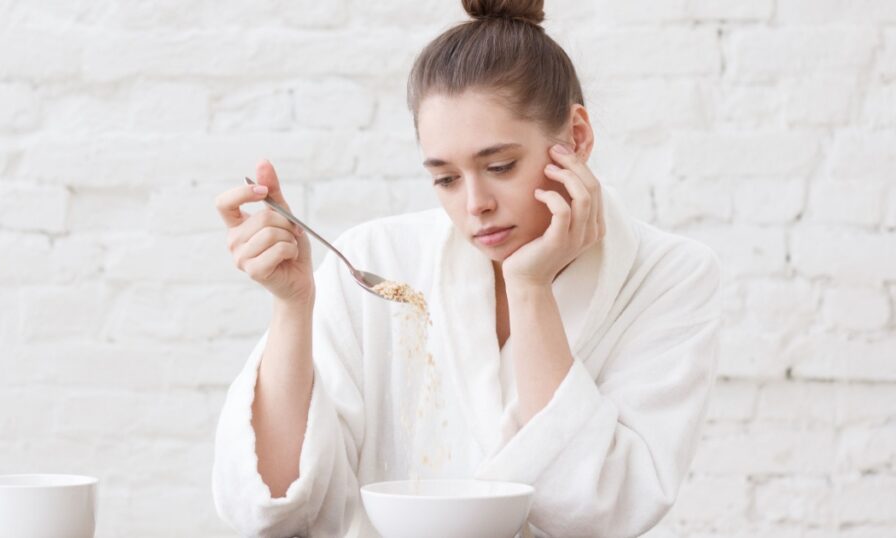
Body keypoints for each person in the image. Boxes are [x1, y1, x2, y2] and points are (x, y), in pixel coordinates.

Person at [211, 0, 722, 536]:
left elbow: (598, 511)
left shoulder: (669, 275)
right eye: (446, 179)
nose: (474, 204)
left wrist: (530, 288)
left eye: (500, 167)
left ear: (577, 137)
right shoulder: (377, 259)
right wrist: (293, 305)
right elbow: (272, 503)